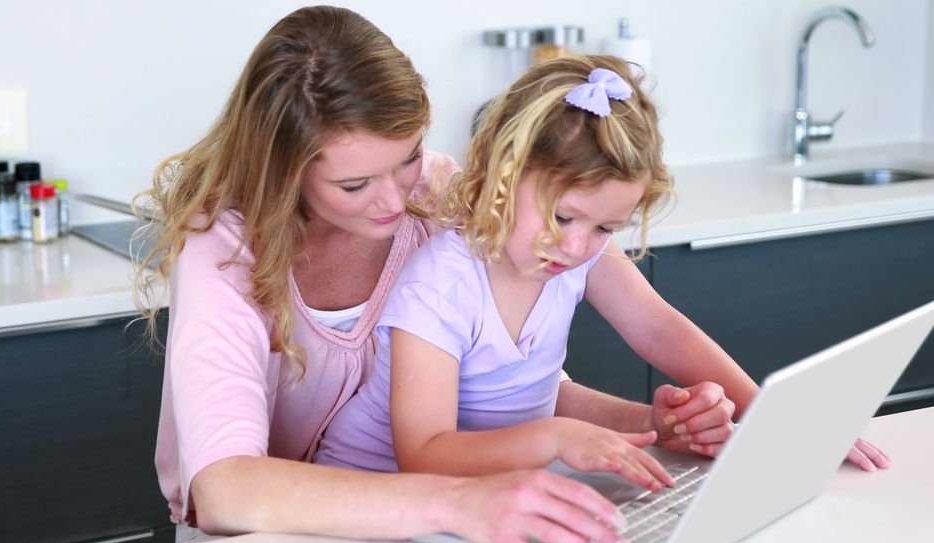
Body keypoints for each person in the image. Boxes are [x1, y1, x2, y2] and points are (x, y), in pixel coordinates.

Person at [135, 7, 637, 543]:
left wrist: (649, 424)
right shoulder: (223, 252)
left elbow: (507, 388)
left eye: (408, 158)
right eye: (354, 184)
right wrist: (454, 503)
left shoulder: (442, 192)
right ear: (283, 169)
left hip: (420, 528)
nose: (397, 202)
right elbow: (226, 492)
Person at [315, 56, 743, 485]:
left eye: (605, 228)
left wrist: (757, 414)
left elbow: (659, 328)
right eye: (561, 216)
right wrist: (555, 438)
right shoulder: (439, 287)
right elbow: (424, 456)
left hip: (482, 492)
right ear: (504, 175)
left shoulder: (573, 249)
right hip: (371, 492)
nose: (576, 246)